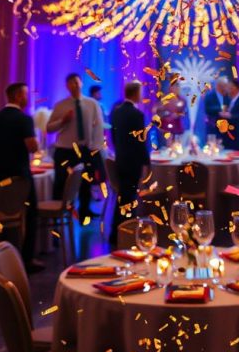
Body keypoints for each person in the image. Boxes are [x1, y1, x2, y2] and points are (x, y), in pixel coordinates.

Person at [0, 82, 42, 273]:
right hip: (20, 178)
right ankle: (27, 259)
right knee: (31, 214)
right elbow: (32, 147)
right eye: (24, 94)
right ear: (16, 96)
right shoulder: (24, 120)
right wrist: (36, 143)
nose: (27, 98)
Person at [46, 72, 104, 223]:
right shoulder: (61, 105)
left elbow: (98, 127)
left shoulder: (92, 104)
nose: (75, 85)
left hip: (85, 149)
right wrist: (62, 121)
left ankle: (85, 212)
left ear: (81, 83)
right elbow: (49, 128)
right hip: (65, 150)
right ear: (67, 86)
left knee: (86, 182)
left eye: (77, 82)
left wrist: (96, 148)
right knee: (61, 183)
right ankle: (57, 216)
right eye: (71, 83)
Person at [109, 80, 150, 245]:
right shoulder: (137, 115)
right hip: (133, 162)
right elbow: (141, 142)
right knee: (129, 198)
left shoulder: (116, 112)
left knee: (123, 197)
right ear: (136, 93)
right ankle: (125, 235)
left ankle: (116, 234)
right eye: (141, 92)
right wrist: (147, 164)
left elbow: (113, 136)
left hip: (121, 160)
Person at [154, 80, 187, 145]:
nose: (175, 89)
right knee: (165, 147)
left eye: (177, 87)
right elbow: (157, 111)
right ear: (170, 88)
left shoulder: (182, 100)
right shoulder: (164, 99)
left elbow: (184, 112)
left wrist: (177, 115)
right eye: (173, 87)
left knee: (177, 146)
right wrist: (166, 114)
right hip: (164, 127)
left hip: (177, 127)